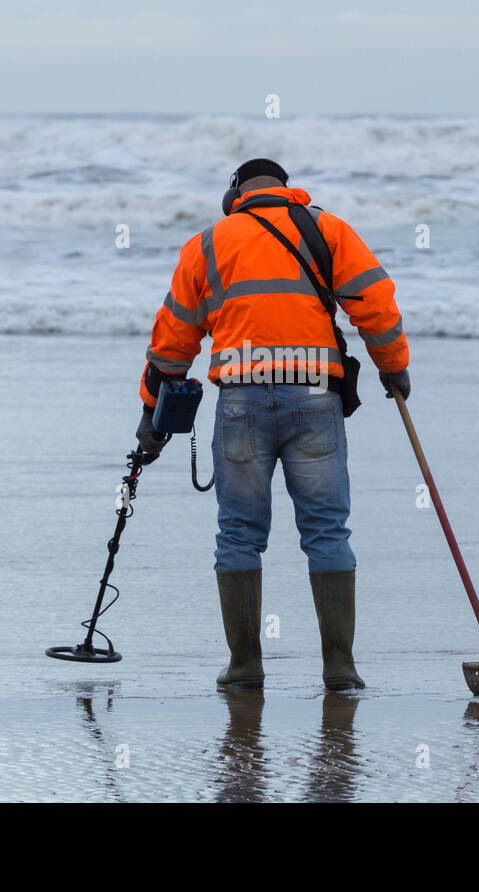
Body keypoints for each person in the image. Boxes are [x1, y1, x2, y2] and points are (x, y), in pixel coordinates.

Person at [134, 158, 410, 690]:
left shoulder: (209, 243)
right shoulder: (327, 229)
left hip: (240, 402)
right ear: (286, 189)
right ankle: (340, 668)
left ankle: (244, 668)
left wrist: (152, 411)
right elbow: (375, 303)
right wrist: (393, 367)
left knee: (238, 532)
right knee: (327, 531)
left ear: (234, 192)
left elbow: (174, 339)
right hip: (315, 399)